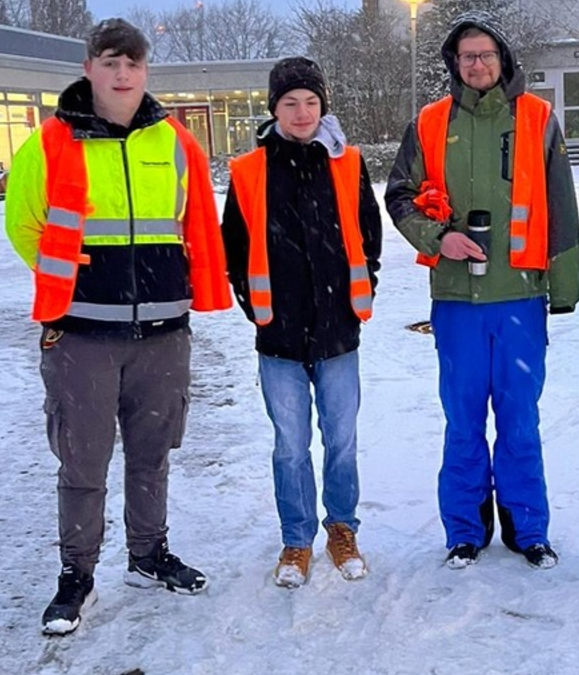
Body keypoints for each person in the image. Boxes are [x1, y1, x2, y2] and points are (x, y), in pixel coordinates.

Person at [4, 19, 231, 635]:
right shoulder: (50, 143)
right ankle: (77, 576)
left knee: (152, 455)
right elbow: (22, 223)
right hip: (81, 335)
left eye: (132, 63)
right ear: (89, 68)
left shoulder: (175, 142)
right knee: (83, 463)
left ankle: (147, 556)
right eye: (109, 62)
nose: (122, 74)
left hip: (162, 332)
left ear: (145, 70)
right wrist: (66, 279)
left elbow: (195, 226)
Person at [385, 12, 579, 570]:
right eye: (466, 56)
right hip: (456, 303)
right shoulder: (427, 122)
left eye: (486, 55)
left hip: (520, 298)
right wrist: (437, 237)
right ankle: (465, 530)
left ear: (504, 61)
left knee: (520, 421)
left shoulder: (538, 118)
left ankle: (529, 530)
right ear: (454, 63)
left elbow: (562, 207)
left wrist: (562, 289)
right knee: (463, 420)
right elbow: (398, 195)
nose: (476, 64)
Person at [222, 57, 382, 589]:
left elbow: (369, 236)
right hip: (279, 337)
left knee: (341, 441)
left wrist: (360, 292)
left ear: (323, 107)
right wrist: (257, 307)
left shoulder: (348, 163)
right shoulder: (248, 172)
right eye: (290, 102)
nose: (302, 112)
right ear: (274, 110)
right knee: (289, 445)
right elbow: (235, 248)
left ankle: (342, 528)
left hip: (338, 333)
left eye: (311, 102)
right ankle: (296, 539)